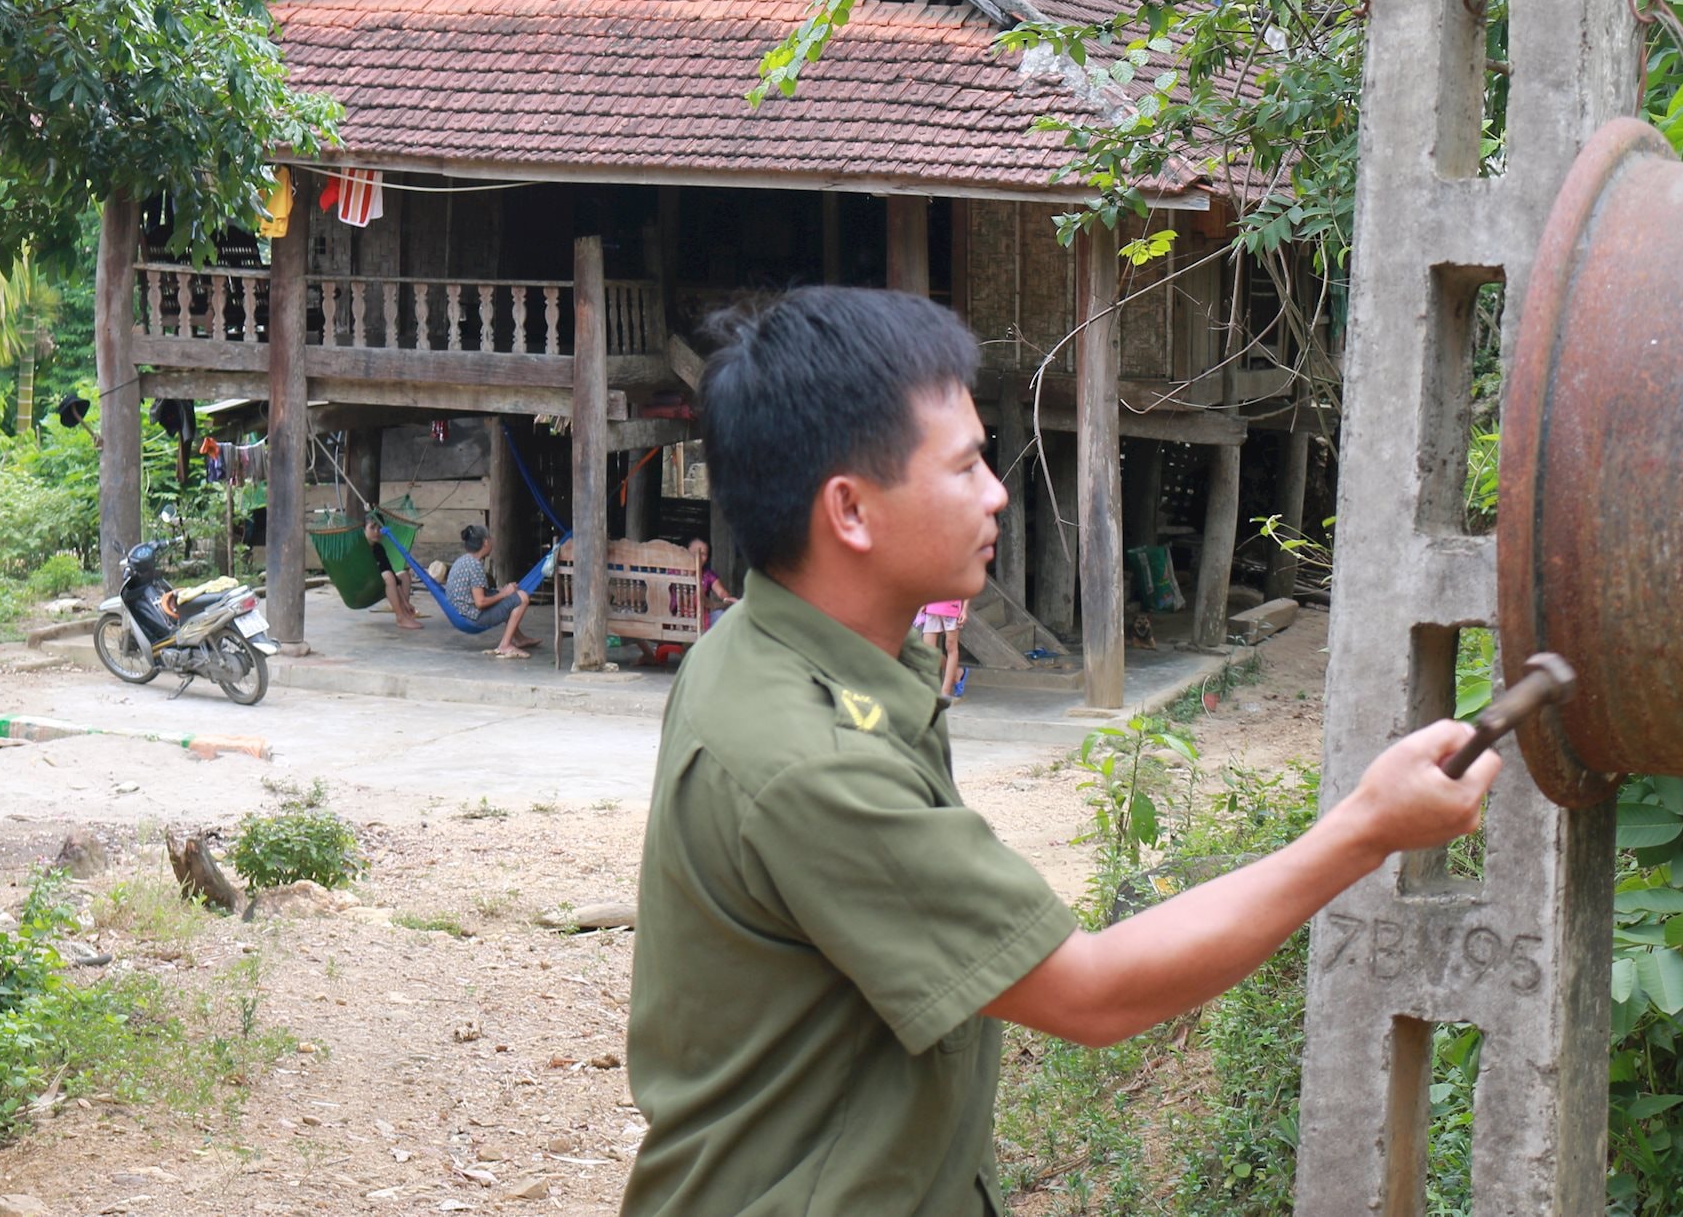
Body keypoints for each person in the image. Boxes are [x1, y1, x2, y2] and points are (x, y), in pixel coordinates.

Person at [620, 287, 1499, 1217]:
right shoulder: (816, 761)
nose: (997, 491)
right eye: (964, 468)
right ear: (851, 510)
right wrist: (1366, 829)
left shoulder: (764, 651)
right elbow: (1094, 993)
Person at [445, 524, 538, 658]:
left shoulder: (463, 560)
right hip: (472, 617)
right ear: (486, 542)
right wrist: (504, 593)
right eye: (491, 539)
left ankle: (520, 639)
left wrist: (502, 592)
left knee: (509, 598)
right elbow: (480, 602)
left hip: (461, 612)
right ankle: (505, 645)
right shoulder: (475, 566)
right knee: (522, 597)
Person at [365, 516, 424, 631]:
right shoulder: (359, 548)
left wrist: (405, 602)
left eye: (379, 528)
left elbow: (391, 572)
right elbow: (387, 574)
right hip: (363, 586)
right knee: (387, 575)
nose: (377, 532)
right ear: (364, 529)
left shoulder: (379, 548)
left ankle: (405, 612)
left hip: (381, 583)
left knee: (404, 575)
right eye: (372, 528)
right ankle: (400, 617)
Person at [918, 596, 966, 702]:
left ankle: (945, 692)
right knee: (929, 649)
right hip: (932, 606)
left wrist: (964, 610)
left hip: (952, 607)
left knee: (951, 647)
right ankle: (957, 673)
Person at [686, 537, 737, 628]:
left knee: (719, 615)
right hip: (675, 617)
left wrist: (726, 597)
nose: (698, 557)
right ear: (685, 552)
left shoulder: (708, 574)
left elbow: (721, 591)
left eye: (703, 554)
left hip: (702, 618)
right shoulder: (673, 571)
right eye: (694, 552)